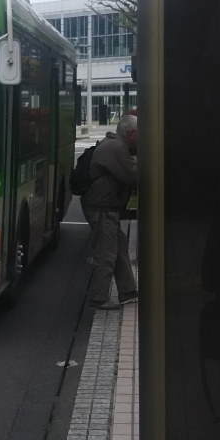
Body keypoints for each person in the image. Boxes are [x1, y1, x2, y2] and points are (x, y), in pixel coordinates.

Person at [80, 113, 138, 310]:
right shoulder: (116, 148)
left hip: (105, 206)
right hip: (102, 207)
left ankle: (128, 291)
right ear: (132, 134)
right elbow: (132, 177)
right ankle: (99, 297)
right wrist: (139, 162)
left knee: (119, 247)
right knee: (107, 253)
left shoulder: (114, 145)